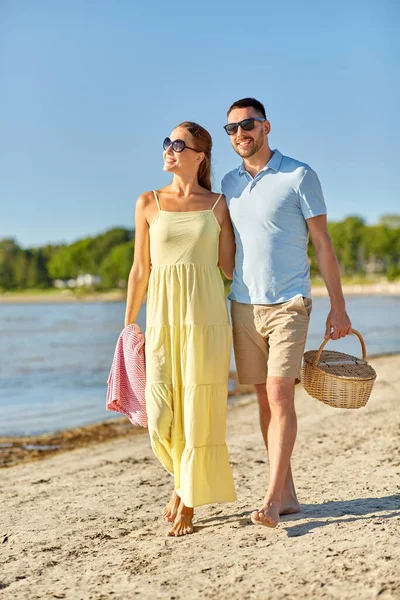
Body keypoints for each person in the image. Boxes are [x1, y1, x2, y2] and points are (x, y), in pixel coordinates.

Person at [221, 97, 352, 528]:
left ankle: (272, 500)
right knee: (263, 399)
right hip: (243, 304)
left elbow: (324, 243)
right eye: (233, 129)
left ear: (266, 126)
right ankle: (289, 493)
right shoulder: (229, 183)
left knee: (280, 395)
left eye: (248, 124)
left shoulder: (299, 174)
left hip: (290, 303)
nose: (241, 134)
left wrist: (339, 306)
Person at [125, 121, 237, 537]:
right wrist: (128, 327)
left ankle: (188, 500)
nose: (169, 149)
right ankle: (182, 481)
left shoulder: (218, 205)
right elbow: (140, 270)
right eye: (167, 142)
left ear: (199, 156)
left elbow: (229, 268)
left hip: (206, 319)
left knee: (198, 411)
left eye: (178, 144)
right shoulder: (148, 202)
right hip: (161, 321)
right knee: (159, 414)